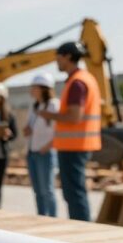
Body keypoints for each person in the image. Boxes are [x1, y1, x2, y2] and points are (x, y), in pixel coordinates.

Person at [38, 42, 101, 221]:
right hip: (78, 144)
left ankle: (81, 227)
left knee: (74, 192)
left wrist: (48, 115)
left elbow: (74, 117)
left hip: (74, 145)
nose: (56, 61)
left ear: (67, 57)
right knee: (74, 191)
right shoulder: (85, 79)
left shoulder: (77, 82)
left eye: (58, 57)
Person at [24, 73, 59, 216]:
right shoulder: (35, 106)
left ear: (44, 88)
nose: (31, 90)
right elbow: (32, 128)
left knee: (47, 190)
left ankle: (52, 218)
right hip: (32, 152)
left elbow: (60, 131)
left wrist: (48, 146)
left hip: (45, 152)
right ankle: (41, 217)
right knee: (38, 190)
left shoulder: (54, 105)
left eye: (34, 87)